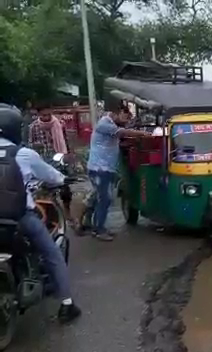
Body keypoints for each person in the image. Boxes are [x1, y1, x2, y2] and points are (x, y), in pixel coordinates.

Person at [0, 105, 81, 323]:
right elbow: (53, 177)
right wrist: (65, 179)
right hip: (19, 219)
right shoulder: (23, 154)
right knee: (53, 254)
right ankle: (67, 305)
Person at [85, 105, 151, 241]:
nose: (126, 121)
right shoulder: (105, 124)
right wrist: (143, 134)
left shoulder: (109, 124)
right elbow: (122, 132)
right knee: (105, 198)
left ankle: (92, 224)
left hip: (106, 168)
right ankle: (98, 229)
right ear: (117, 113)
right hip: (99, 169)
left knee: (99, 198)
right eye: (125, 117)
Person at [27, 108, 74, 222]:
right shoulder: (33, 127)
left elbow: (65, 140)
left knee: (65, 188)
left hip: (59, 159)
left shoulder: (59, 123)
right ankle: (51, 216)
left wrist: (68, 154)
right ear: (39, 115)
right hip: (43, 161)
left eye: (49, 114)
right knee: (46, 190)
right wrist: (35, 146)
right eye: (44, 115)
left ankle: (67, 213)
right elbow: (29, 144)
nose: (47, 117)